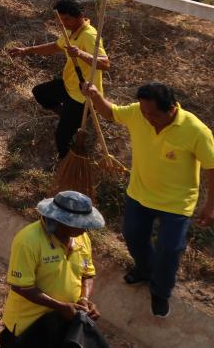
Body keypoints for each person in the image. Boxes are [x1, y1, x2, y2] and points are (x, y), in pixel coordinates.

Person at [83, 81, 214, 318]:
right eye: (143, 112)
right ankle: (145, 270)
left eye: (152, 114)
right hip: (140, 195)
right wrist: (95, 96)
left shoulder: (196, 131)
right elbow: (110, 112)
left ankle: (161, 291)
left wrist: (210, 205)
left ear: (172, 109)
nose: (146, 117)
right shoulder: (138, 113)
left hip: (177, 203)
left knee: (170, 249)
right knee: (133, 236)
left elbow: (211, 167)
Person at [0, 191, 108, 348]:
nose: (85, 230)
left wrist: (84, 300)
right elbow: (22, 286)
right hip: (28, 325)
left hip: (62, 322)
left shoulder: (81, 238)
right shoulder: (28, 241)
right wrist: (60, 306)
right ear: (60, 220)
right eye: (79, 224)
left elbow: (87, 274)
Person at [10, 0, 109, 159]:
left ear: (80, 15)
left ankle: (66, 162)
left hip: (82, 95)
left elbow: (105, 64)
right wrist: (27, 50)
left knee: (61, 137)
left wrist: (80, 53)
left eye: (67, 19)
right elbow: (54, 47)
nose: (64, 23)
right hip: (69, 85)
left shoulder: (89, 36)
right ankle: (68, 118)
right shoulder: (70, 32)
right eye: (61, 19)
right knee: (40, 92)